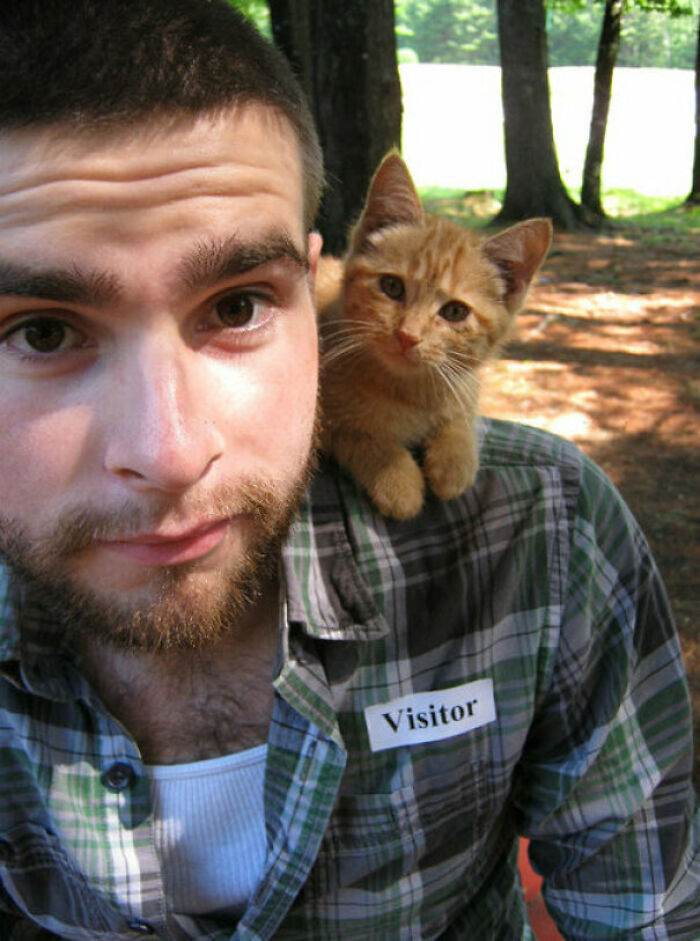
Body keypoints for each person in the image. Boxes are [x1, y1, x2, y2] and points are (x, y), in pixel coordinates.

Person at [0, 1, 697, 938]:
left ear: (310, 278)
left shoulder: (544, 534)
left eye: (239, 304)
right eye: (42, 330)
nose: (168, 453)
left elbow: (652, 907)